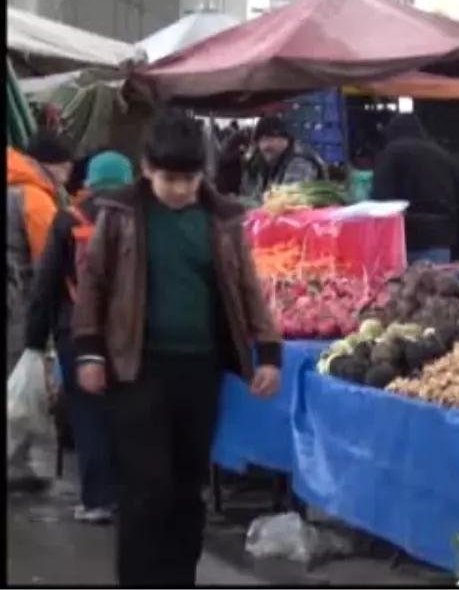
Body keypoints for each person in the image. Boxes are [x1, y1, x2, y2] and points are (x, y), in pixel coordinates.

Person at [71, 110, 282, 585]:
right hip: (136, 369)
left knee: (188, 490)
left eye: (190, 178)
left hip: (200, 370)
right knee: (147, 490)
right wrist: (89, 350)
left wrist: (267, 351)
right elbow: (95, 283)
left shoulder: (223, 219)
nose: (182, 189)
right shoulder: (120, 214)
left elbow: (248, 288)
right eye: (171, 179)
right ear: (146, 169)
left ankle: (178, 576)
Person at [25, 151, 134, 523]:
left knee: (89, 416)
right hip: (129, 334)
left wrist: (34, 341)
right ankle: (129, 496)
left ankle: (97, 500)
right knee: (127, 413)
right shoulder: (143, 217)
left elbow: (46, 283)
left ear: (88, 181)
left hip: (77, 331)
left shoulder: (68, 218)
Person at [7, 130, 73, 490]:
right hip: (17, 299)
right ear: (53, 164)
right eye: (66, 166)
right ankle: (14, 465)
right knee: (17, 377)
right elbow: (48, 257)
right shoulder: (32, 195)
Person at [370, 113, 459, 264]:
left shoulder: (391, 154)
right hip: (441, 243)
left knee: (408, 286)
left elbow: (381, 204)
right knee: (434, 286)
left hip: (405, 244)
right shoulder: (445, 157)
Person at [239, 116, 325, 202]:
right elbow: (256, 195)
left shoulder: (300, 162)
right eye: (261, 141)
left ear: (285, 139)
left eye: (270, 139)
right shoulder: (268, 162)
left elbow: (287, 199)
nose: (265, 146)